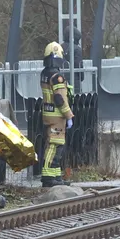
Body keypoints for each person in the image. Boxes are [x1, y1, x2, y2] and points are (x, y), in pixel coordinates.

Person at [39, 42, 74, 187]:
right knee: (54, 146)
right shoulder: (57, 77)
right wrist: (69, 115)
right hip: (57, 116)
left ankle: (56, 176)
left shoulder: (45, 74)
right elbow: (60, 98)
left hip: (48, 113)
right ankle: (48, 177)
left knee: (56, 145)